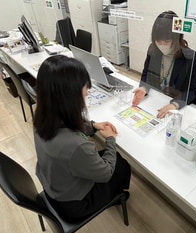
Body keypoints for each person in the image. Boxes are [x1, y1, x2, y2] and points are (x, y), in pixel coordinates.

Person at [33, 55, 131, 221]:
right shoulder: (76, 146)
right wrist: (110, 140)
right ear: (69, 96)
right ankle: (117, 196)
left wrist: (92, 125)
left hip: (54, 185)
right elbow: (106, 173)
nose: (87, 93)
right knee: (121, 166)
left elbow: (67, 126)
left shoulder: (42, 118)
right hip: (75, 205)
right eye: (84, 90)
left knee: (113, 160)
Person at [132, 10, 196, 119]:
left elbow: (193, 90)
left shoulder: (190, 57)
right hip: (155, 99)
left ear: (177, 38)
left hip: (175, 104)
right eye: (158, 41)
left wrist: (175, 104)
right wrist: (144, 88)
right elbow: (146, 74)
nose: (162, 46)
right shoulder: (153, 49)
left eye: (167, 41)